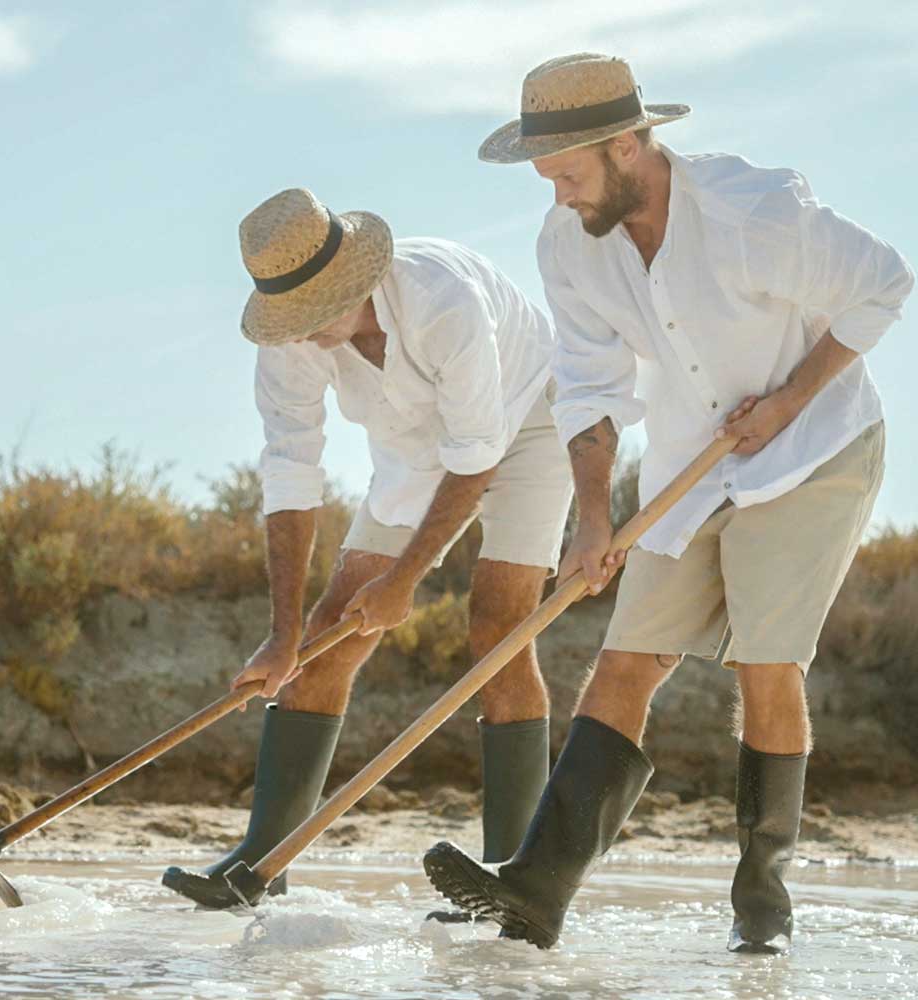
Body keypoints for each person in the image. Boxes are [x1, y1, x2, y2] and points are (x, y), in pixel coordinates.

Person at [423, 52, 914, 952]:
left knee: (765, 666)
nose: (558, 196)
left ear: (625, 146)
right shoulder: (566, 242)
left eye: (568, 175)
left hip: (814, 449)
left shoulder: (753, 210)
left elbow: (883, 282)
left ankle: (762, 909)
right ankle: (538, 891)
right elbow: (589, 386)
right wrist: (596, 522)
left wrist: (790, 400)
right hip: (693, 460)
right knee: (625, 659)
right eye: (546, 179)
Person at [162, 188, 574, 910]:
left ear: (353, 283)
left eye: (312, 312)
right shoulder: (292, 338)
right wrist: (283, 638)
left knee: (498, 631)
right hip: (415, 453)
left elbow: (476, 456)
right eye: (288, 316)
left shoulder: (443, 298)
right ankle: (262, 862)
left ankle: (515, 871)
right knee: (326, 633)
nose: (301, 330)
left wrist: (405, 580)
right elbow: (291, 477)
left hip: (531, 420)